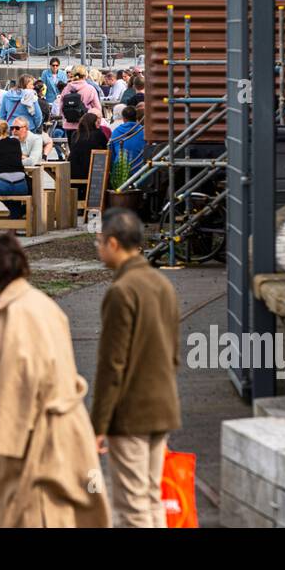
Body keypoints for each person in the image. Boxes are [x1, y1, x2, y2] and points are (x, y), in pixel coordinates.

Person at [0, 234, 109, 528]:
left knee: (39, 516)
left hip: (38, 448)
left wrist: (6, 461)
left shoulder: (17, 316)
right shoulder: (39, 303)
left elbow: (16, 395)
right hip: (65, 436)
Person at [90, 209, 181, 528]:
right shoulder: (161, 283)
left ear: (113, 243)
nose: (99, 248)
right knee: (152, 497)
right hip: (163, 406)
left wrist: (98, 423)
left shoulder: (121, 291)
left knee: (132, 507)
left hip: (130, 413)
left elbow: (111, 364)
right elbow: (173, 351)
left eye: (100, 242)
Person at [69, 111, 110, 202]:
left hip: (73, 170)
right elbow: (105, 150)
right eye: (97, 122)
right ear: (92, 122)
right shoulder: (98, 134)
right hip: (92, 171)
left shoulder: (75, 134)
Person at [53, 64, 103, 133]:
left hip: (69, 125)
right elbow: (98, 109)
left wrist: (64, 118)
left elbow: (61, 107)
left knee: (71, 143)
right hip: (85, 125)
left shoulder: (66, 88)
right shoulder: (90, 89)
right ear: (85, 75)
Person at [109, 105, 146, 176]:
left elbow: (112, 154)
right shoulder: (143, 131)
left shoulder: (116, 131)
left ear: (123, 118)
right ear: (136, 117)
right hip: (139, 171)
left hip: (120, 171)